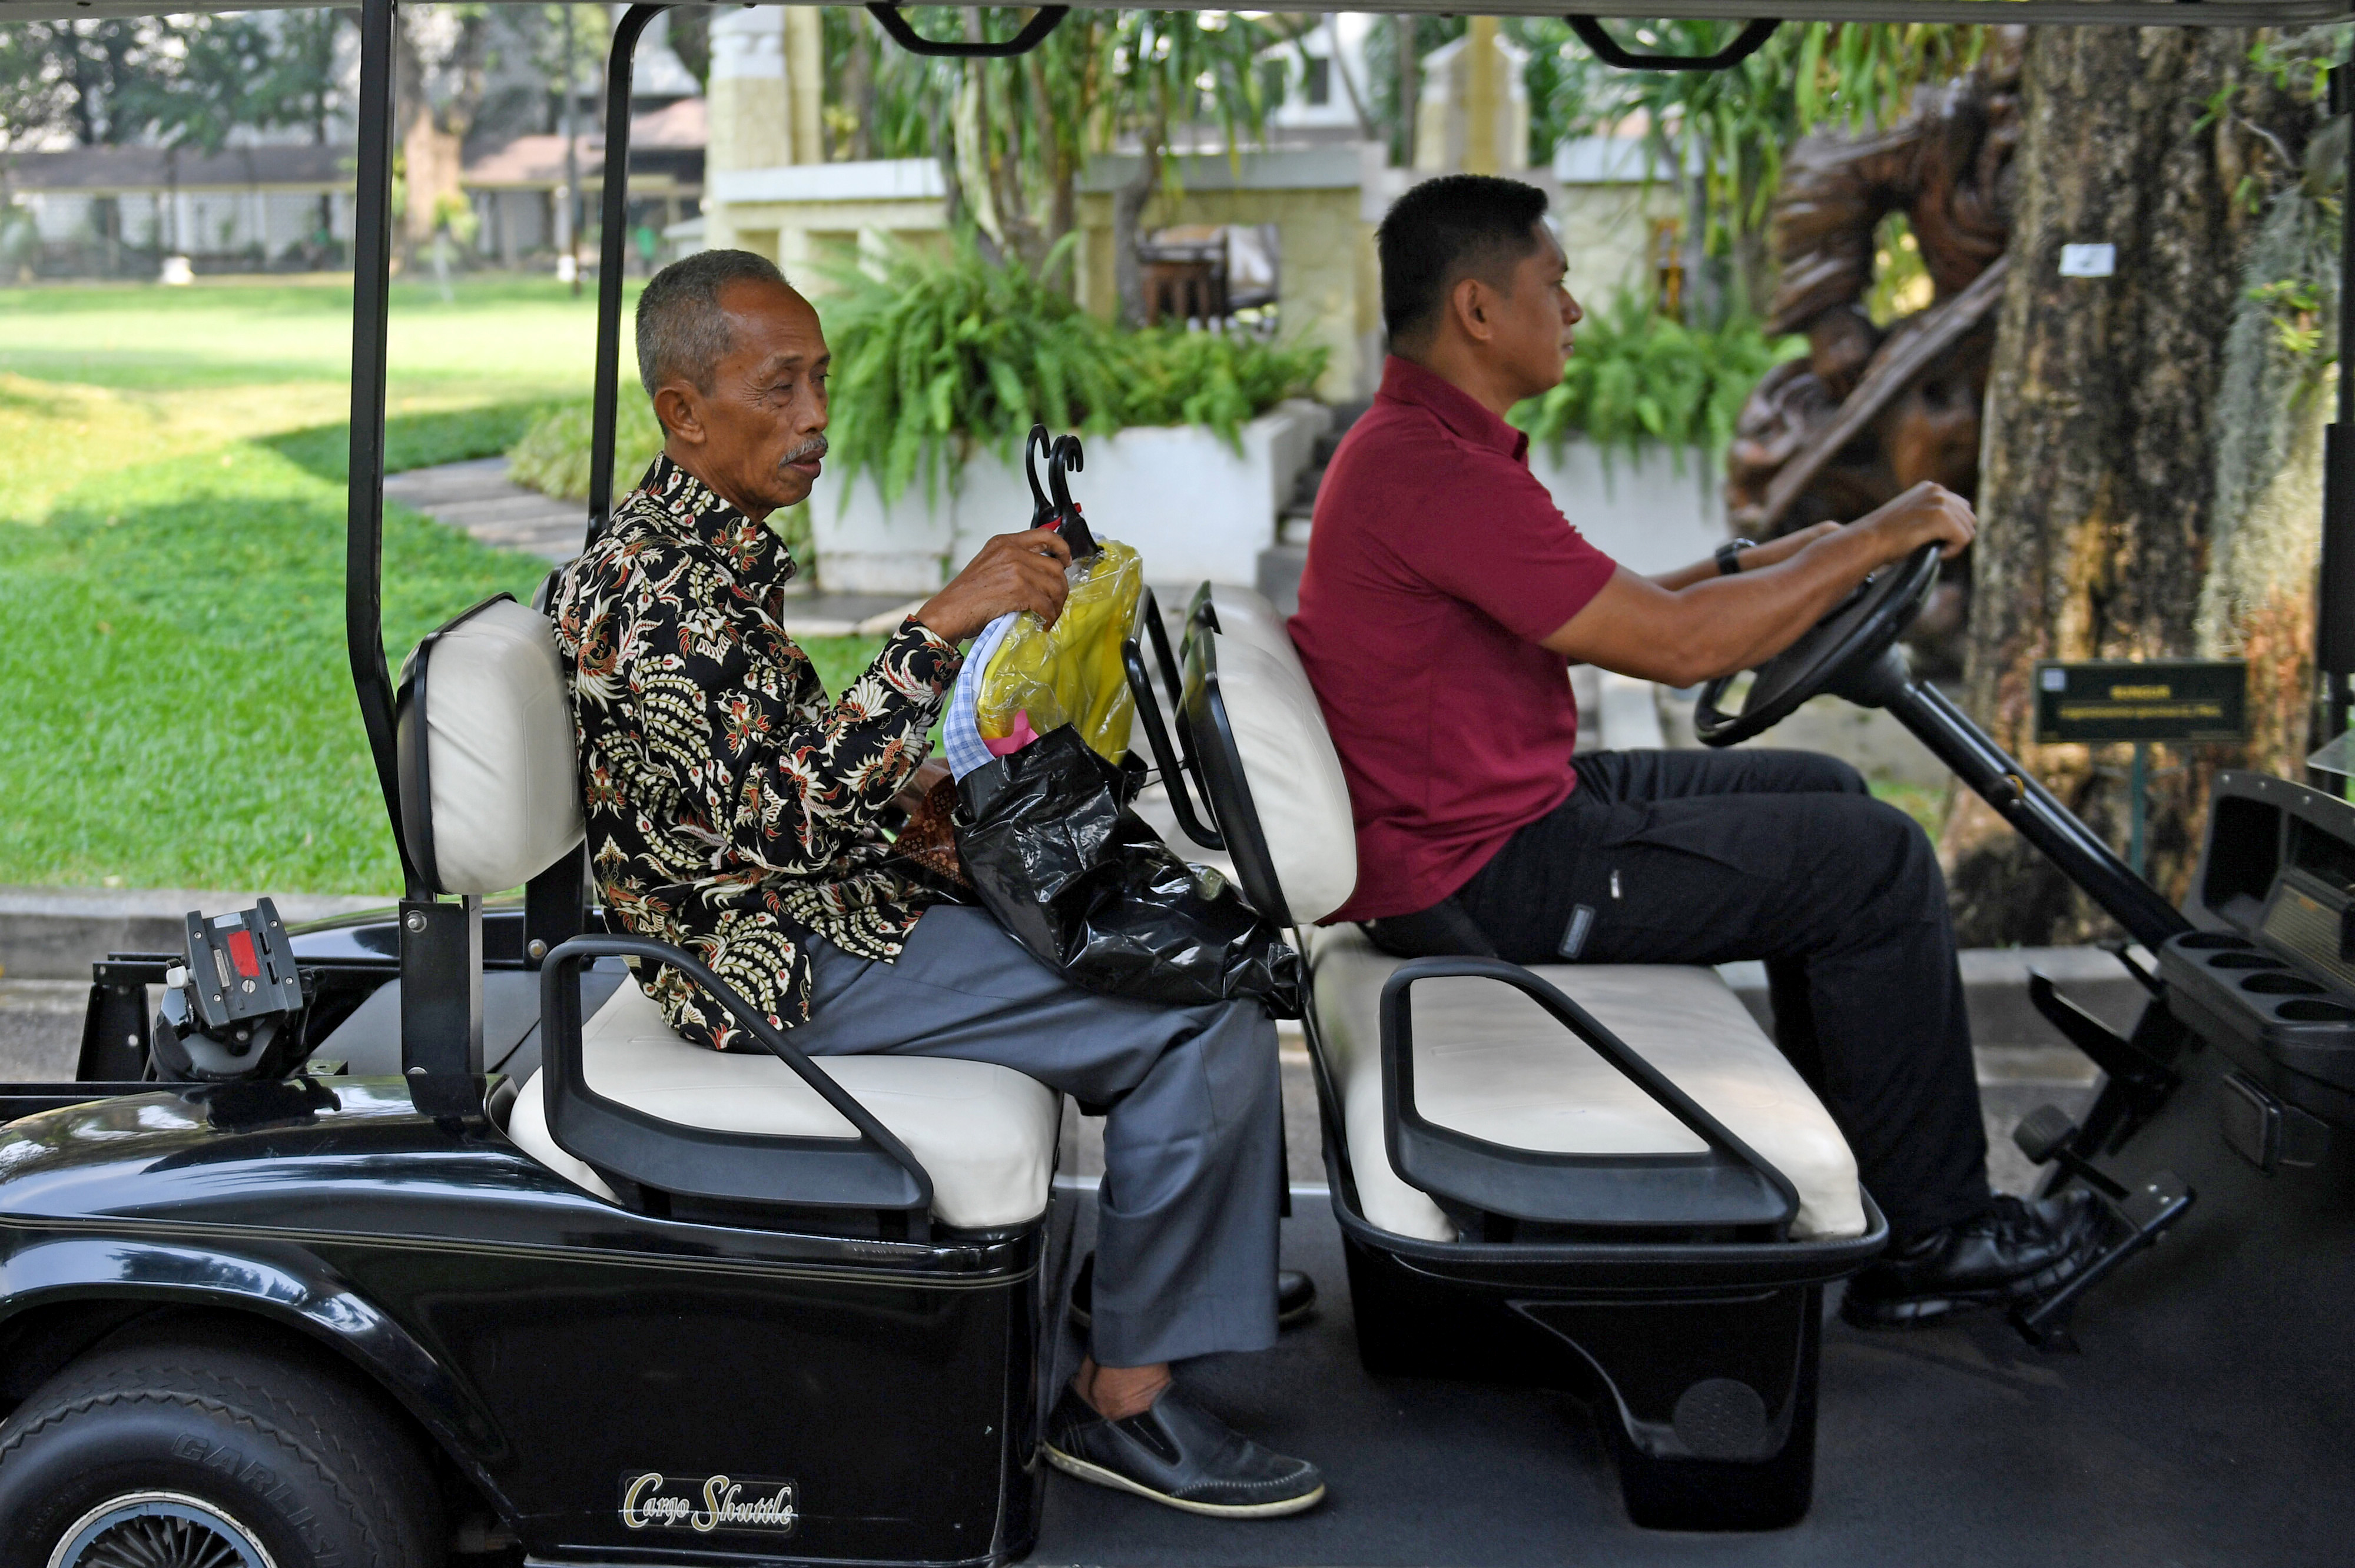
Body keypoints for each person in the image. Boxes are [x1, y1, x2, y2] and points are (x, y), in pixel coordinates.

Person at [550, 248, 1323, 1516]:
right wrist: (937, 627)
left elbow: (768, 777)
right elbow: (785, 822)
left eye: (821, 380)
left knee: (1162, 926)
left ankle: (1175, 1270)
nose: (815, 416)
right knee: (1200, 1010)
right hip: (769, 963)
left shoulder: (700, 553)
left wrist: (950, 763)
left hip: (816, 903)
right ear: (683, 411)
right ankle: (1122, 1401)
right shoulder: (655, 597)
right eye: (780, 388)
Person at [1288, 176, 2106, 1327]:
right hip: (1488, 872)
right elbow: (1674, 651)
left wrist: (1769, 562)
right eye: (1554, 285)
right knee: (1875, 861)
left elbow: (1617, 608)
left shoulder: (1424, 449)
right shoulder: (1436, 472)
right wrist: (1880, 532)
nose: (1574, 309)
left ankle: (1875, 1176)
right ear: (1477, 309)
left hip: (1497, 816)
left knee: (1825, 787)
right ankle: (1932, 1238)